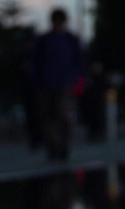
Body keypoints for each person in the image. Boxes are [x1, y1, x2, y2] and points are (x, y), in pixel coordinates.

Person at [30, 8, 83, 161]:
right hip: (46, 84)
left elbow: (78, 62)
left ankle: (62, 146)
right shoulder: (45, 40)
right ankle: (54, 147)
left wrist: (75, 78)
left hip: (65, 84)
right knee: (49, 118)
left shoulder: (70, 40)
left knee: (65, 116)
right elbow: (37, 62)